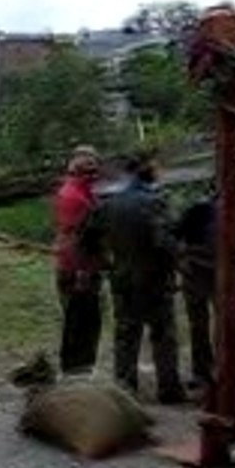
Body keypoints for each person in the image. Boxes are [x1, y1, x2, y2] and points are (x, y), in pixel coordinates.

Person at [79, 149, 187, 404]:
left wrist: (105, 262)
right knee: (163, 333)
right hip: (156, 279)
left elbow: (86, 240)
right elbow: (165, 241)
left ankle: (125, 388)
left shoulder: (107, 205)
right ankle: (169, 389)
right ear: (145, 172)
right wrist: (177, 265)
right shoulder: (155, 202)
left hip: (123, 277)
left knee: (126, 334)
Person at [51, 145, 103, 375]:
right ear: (78, 170)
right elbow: (77, 238)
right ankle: (76, 370)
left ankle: (80, 367)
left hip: (80, 264)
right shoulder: (75, 197)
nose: (95, 174)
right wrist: (82, 271)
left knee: (86, 320)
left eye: (95, 169)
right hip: (77, 268)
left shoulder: (83, 192)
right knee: (80, 321)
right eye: (90, 170)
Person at [175, 190, 218, 390]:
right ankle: (218, 370)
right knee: (220, 324)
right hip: (215, 271)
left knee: (199, 326)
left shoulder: (196, 208)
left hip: (195, 271)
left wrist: (182, 260)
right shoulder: (219, 211)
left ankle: (202, 372)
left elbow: (175, 237)